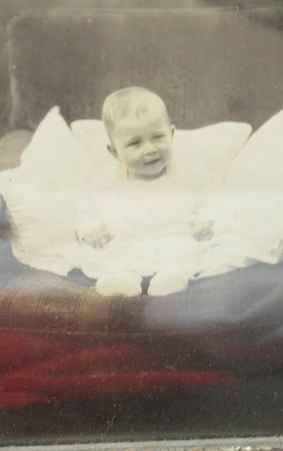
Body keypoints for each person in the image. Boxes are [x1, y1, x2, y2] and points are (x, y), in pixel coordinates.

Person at [74, 86, 213, 297]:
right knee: (113, 258)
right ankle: (119, 280)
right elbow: (86, 203)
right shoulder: (107, 179)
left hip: (174, 238)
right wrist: (91, 226)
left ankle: (170, 278)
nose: (150, 149)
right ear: (114, 152)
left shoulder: (188, 173)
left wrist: (206, 218)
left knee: (183, 253)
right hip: (125, 242)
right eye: (135, 143)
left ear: (172, 134)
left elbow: (211, 196)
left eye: (158, 137)